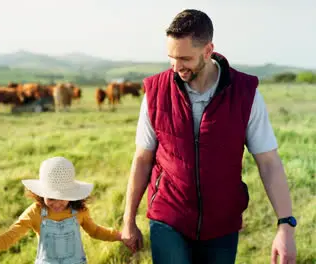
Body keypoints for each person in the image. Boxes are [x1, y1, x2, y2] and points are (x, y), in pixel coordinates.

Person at [121, 9, 297, 264]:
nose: (176, 67)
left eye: (185, 58)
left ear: (208, 50)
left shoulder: (245, 94)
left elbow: (268, 162)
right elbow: (142, 159)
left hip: (222, 224)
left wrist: (285, 225)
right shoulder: (155, 92)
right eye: (171, 57)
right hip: (168, 217)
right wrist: (129, 220)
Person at [0, 156, 128, 263]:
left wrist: (120, 236)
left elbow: (95, 231)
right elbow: (8, 239)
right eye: (51, 198)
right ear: (41, 194)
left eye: (62, 197)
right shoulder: (35, 213)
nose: (57, 203)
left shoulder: (80, 211)